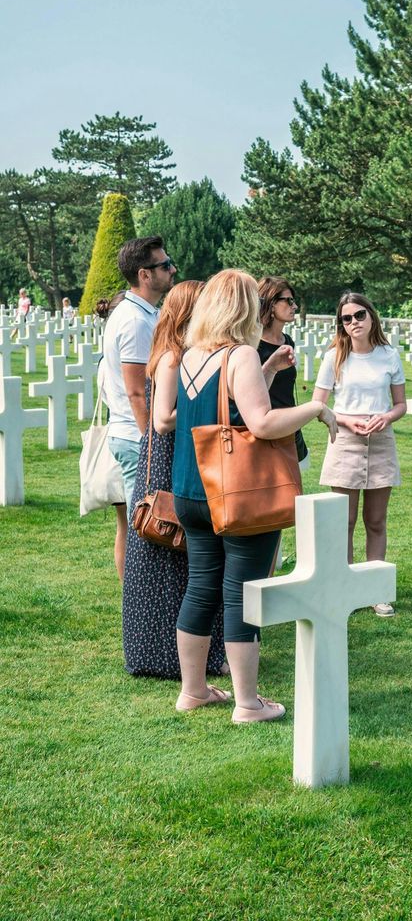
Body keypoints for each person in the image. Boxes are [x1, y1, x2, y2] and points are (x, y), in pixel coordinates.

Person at [153, 269, 337, 722]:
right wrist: (315, 408)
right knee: (241, 594)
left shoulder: (192, 353)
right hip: (236, 491)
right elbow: (262, 423)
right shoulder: (240, 355)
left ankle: (193, 690)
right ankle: (248, 702)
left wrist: (268, 367)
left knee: (200, 588)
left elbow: (208, 406)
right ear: (244, 308)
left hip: (191, 489)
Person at [122, 279, 227, 679]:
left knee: (188, 561)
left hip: (184, 452)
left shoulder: (193, 354)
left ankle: (196, 653)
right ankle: (158, 655)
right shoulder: (170, 356)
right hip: (167, 457)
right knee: (165, 550)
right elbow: (163, 419)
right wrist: (207, 413)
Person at [313, 292, 407, 617]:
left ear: (371, 316)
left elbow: (400, 405)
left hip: (381, 442)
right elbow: (319, 405)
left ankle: (376, 591)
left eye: (359, 316)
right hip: (346, 442)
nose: (354, 323)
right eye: (347, 318)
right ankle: (346, 589)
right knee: (345, 521)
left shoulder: (389, 355)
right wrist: (347, 419)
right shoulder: (334, 357)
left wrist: (387, 417)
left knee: (376, 521)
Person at [102, 238, 177, 577]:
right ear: (145, 275)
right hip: (137, 437)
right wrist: (153, 443)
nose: (172, 269)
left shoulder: (145, 313)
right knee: (146, 525)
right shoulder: (134, 320)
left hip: (137, 435)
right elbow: (137, 392)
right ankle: (141, 607)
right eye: (165, 265)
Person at [95, 291, 131, 580]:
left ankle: (127, 587)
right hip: (126, 434)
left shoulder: (104, 357)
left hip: (116, 434)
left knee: (125, 526)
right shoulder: (118, 358)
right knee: (131, 524)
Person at [256, 277, 309, 468]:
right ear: (270, 304)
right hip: (265, 429)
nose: (294, 306)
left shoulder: (287, 340)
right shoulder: (253, 345)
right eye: (288, 300)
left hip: (290, 427)